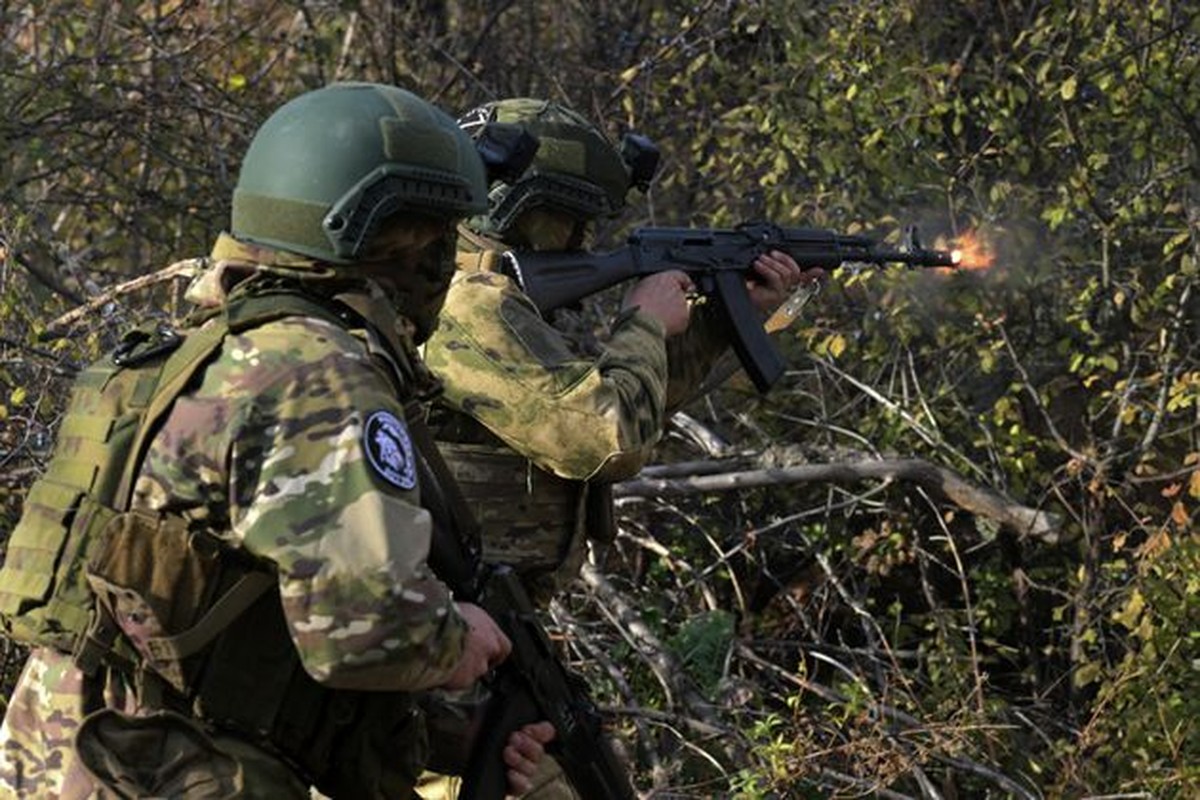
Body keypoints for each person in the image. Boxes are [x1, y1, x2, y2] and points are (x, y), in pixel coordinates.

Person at [0, 82, 553, 799]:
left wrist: (451, 736)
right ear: (394, 237)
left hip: (66, 750)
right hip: (176, 770)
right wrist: (458, 637)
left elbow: (235, 625)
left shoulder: (194, 357)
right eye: (440, 235)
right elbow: (363, 629)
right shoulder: (318, 373)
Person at [417, 98, 810, 798]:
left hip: (474, 639)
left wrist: (730, 319)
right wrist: (642, 323)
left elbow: (630, 402)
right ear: (531, 208)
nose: (581, 239)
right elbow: (603, 436)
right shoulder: (469, 303)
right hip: (443, 650)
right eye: (574, 221)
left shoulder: (488, 295)